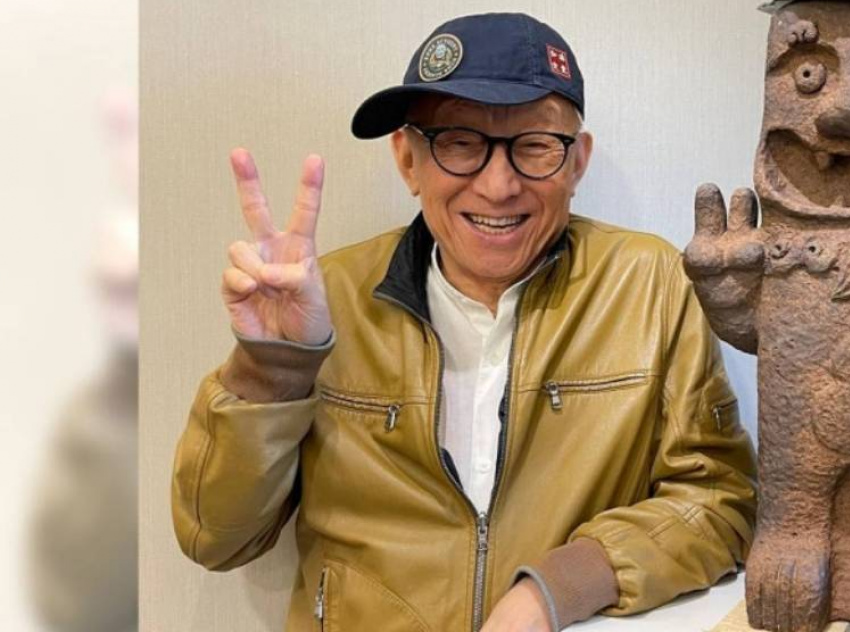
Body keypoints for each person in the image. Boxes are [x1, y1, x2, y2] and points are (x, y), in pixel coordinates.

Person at [171, 12, 757, 632]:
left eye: (534, 145)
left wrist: (560, 588)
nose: (498, 186)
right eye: (458, 142)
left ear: (577, 162)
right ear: (408, 160)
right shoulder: (326, 298)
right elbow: (215, 537)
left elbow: (720, 502)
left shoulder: (650, 286)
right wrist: (272, 370)